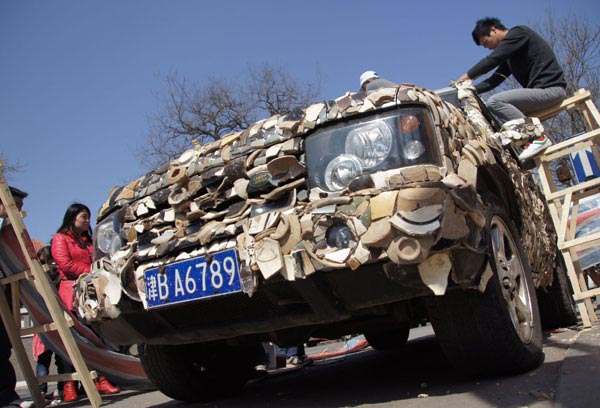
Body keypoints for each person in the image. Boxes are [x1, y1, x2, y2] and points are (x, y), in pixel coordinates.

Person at [456, 17, 567, 161]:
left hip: (551, 90)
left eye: (486, 43)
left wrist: (466, 77)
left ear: (493, 29)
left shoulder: (519, 33)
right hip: (539, 94)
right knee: (505, 123)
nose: (488, 48)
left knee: (495, 102)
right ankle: (527, 145)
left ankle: (537, 138)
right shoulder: (511, 56)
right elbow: (494, 80)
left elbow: (493, 59)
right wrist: (470, 90)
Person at [51, 203, 120, 402]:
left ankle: (100, 378)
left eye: (88, 217)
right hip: (71, 292)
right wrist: (91, 271)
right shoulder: (60, 239)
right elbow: (65, 264)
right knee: (73, 339)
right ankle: (69, 385)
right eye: (84, 217)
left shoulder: (88, 241)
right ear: (73, 218)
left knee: (95, 335)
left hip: (92, 292)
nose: (87, 221)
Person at [0, 186, 34, 408]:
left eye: (20, 206)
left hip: (7, 288)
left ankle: (6, 396)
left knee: (3, 344)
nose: (18, 210)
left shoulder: (10, 227)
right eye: (14, 205)